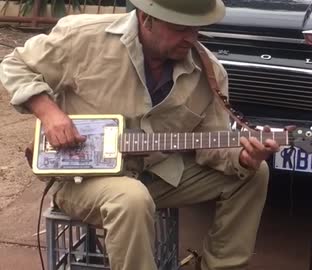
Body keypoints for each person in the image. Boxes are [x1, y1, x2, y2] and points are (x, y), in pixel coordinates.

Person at [0, 0, 280, 269]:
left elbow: (211, 142)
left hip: (157, 176)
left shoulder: (208, 73)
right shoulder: (84, 36)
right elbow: (15, 65)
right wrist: (50, 113)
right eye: (181, 29)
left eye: (197, 29)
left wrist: (243, 158)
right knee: (131, 198)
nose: (191, 39)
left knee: (255, 174)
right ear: (147, 19)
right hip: (82, 180)